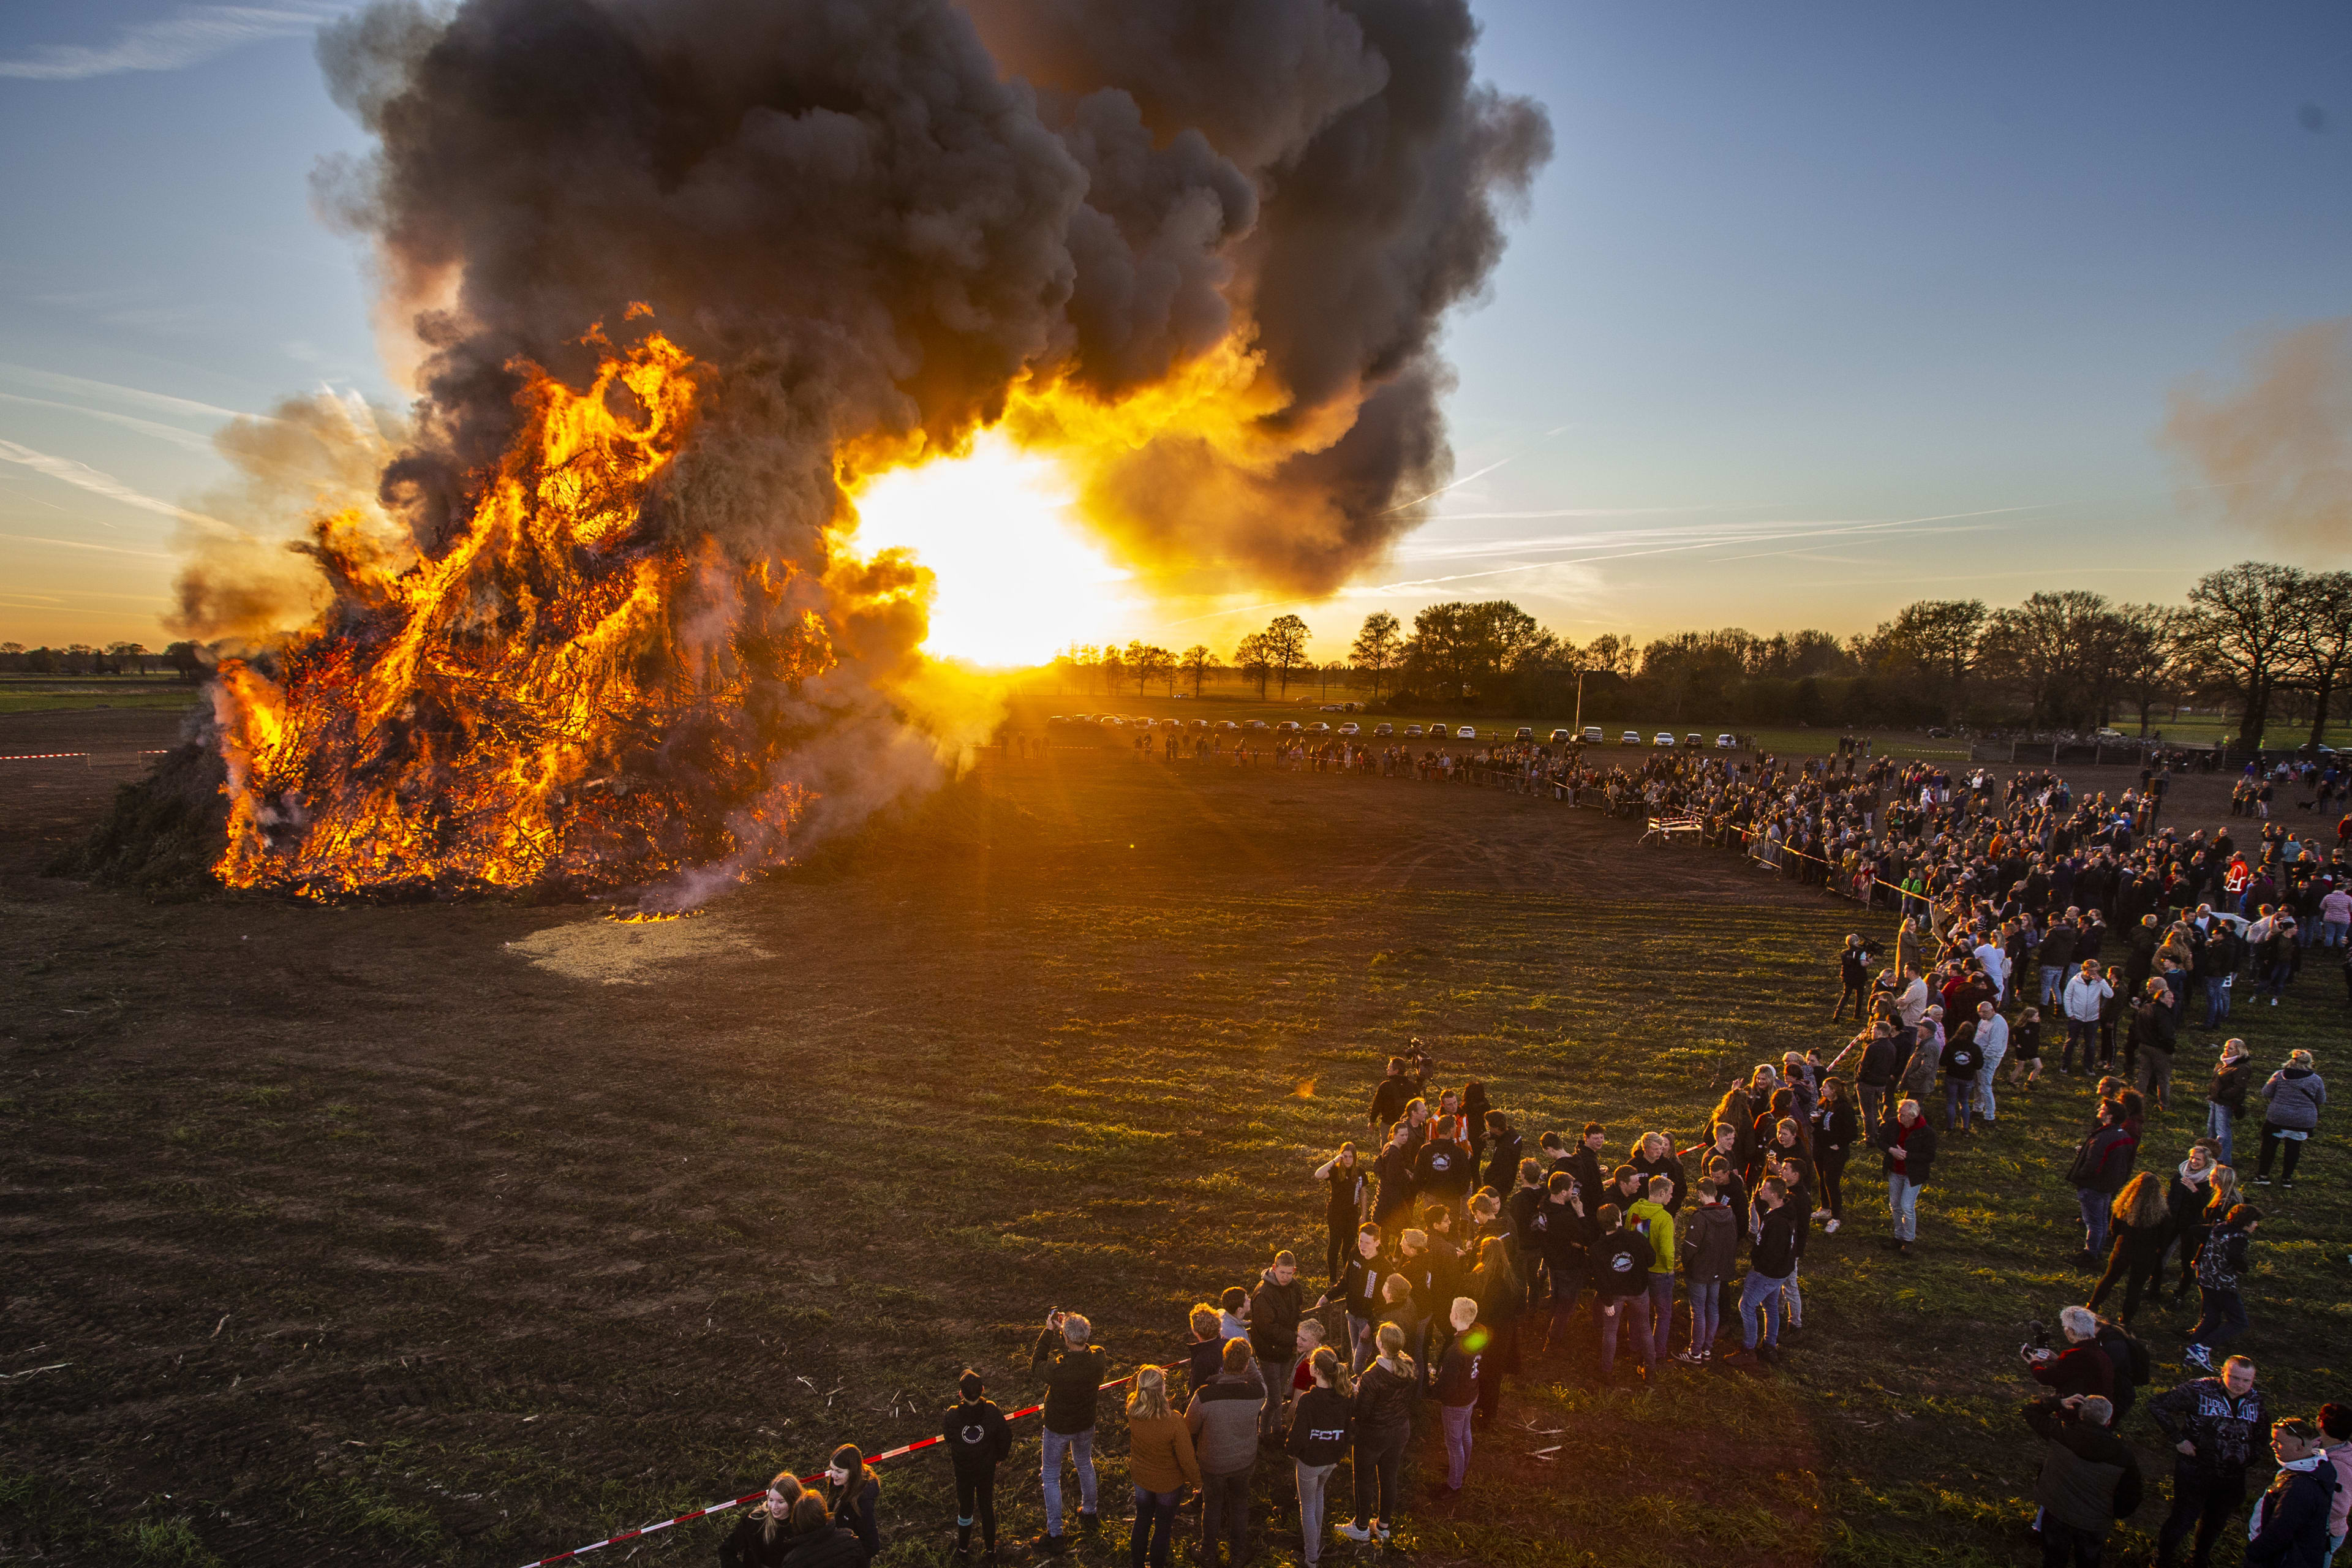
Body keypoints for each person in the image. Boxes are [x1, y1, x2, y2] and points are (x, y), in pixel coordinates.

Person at [2150, 1355, 2267, 1568]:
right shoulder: (2199, 1390)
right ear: (2222, 1373)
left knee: (2216, 1522)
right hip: (2196, 1471)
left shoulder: (2256, 1400)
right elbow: (2157, 1404)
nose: (2240, 1385)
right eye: (2234, 1378)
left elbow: (2262, 1432)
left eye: (2246, 1381)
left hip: (2232, 1475)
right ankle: (2162, 1559)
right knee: (2183, 1520)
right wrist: (2178, 1439)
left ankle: (2199, 1559)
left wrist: (2250, 1457)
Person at [2024, 1393, 2143, 1568]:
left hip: (2057, 1510)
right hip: (2093, 1522)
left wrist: (2058, 1402)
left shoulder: (2061, 1432)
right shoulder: (2123, 1455)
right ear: (2108, 1421)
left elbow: (2029, 1410)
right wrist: (2113, 1513)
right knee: (2089, 1561)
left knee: (2053, 1559)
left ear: (2080, 1415)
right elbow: (2133, 1495)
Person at [1183, 1338, 1265, 1568]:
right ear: (1247, 1366)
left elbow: (1189, 1426)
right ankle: (1238, 1554)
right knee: (1240, 1504)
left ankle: (1208, 1552)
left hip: (1213, 1462)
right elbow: (1259, 1382)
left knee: (1212, 1505)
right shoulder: (1257, 1394)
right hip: (1245, 1460)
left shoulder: (1205, 1395)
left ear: (1224, 1360)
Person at [1031, 1310, 1107, 1554]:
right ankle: (1089, 1512)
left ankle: (1056, 1533)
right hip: (1085, 1422)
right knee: (1085, 1464)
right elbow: (1090, 1348)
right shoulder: (1099, 1358)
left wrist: (1050, 1330)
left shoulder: (1058, 1369)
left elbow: (1036, 1365)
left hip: (1057, 1427)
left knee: (1051, 1476)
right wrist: (1068, 1329)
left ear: (1065, 1338)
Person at [1339, 1324, 1415, 1545]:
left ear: (1380, 1344)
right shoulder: (1408, 1366)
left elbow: (1362, 1413)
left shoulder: (1372, 1376)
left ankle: (1361, 1527)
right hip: (1400, 1429)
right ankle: (1383, 1527)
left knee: (1364, 1480)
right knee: (1389, 1477)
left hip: (1374, 1434)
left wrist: (1356, 1392)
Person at [1123, 1366, 1196, 1568]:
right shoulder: (1174, 1421)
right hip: (1168, 1484)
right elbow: (1187, 1459)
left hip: (1141, 1479)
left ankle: (1137, 1563)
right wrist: (1198, 1483)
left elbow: (1133, 1394)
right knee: (1163, 1527)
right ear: (1162, 1389)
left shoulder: (1132, 1409)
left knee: (1142, 1519)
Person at [1284, 1348, 1351, 1568]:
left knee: (1308, 1506)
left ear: (1316, 1370)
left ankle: (1311, 1558)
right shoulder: (1344, 1397)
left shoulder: (1308, 1401)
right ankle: (1317, 1541)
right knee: (1318, 1493)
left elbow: (1299, 1435)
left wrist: (1290, 1450)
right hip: (1332, 1458)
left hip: (1310, 1461)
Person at [2247, 1419, 2342, 1567]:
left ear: (2299, 1448)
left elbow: (2279, 1533)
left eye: (2278, 1441)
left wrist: (2253, 1554)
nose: (2272, 1445)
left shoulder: (2300, 1487)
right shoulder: (2317, 1468)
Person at [1726, 1175, 1798, 1367]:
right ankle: (1769, 1345)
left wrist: (1757, 1266)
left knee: (1747, 1306)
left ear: (1775, 1194)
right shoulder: (1778, 1211)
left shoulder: (1778, 1223)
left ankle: (1748, 1350)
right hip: (1778, 1272)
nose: (1760, 1191)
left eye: (1764, 1189)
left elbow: (1772, 1253)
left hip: (1767, 1273)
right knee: (1771, 1307)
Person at [2184, 1204, 2263, 1374]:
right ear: (2247, 1222)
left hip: (2205, 1279)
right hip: (2223, 1285)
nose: (2256, 1226)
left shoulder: (2219, 1228)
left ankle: (2192, 1357)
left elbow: (2195, 1230)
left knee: (2211, 1318)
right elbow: (2235, 1256)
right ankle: (2203, 1348)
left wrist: (2199, 1259)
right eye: (2255, 1222)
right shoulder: (2239, 1237)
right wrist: (2243, 1268)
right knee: (2239, 1322)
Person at [2088, 1172, 2171, 1325]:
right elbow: (2164, 1239)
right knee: (2135, 1288)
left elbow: (2115, 1230)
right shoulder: (2162, 1214)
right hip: (2146, 1255)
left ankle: (2092, 1306)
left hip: (2123, 1249)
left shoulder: (2123, 1207)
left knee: (2110, 1278)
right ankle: (2125, 1320)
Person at [945, 1371, 1011, 1562]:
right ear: (983, 1390)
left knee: (965, 1508)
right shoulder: (991, 1411)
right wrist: (1000, 1456)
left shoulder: (952, 1415)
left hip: (964, 1471)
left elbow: (949, 1438)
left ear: (960, 1394)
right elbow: (1006, 1435)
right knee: (986, 1507)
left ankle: (963, 1550)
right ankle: (991, 1550)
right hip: (986, 1470)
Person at [2067, 1101, 2138, 1265]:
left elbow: (2093, 1164)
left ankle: (2090, 1254)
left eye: (2103, 1109)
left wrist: (2081, 1176)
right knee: (2102, 1220)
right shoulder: (2123, 1136)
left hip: (2094, 1186)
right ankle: (2096, 1251)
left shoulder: (2103, 1137)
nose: (2099, 1109)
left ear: (2110, 1116)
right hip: (2109, 1186)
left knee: (2093, 1222)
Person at [1590, 1203, 1654, 1382]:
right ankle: (1650, 1370)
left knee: (1610, 1332)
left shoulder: (1597, 1249)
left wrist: (1607, 1302)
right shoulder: (1638, 1238)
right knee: (1645, 1328)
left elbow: (1600, 1278)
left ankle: (1606, 1372)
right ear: (1620, 1219)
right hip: (1639, 1291)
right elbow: (1651, 1260)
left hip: (1614, 1295)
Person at [1676, 1176, 1737, 1364]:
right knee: (1713, 1307)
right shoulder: (1729, 1214)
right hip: (1718, 1269)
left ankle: (1695, 1352)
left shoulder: (1700, 1217)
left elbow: (1690, 1248)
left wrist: (1687, 1265)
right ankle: (1707, 1349)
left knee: (1698, 1311)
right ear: (1716, 1192)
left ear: (1700, 1193)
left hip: (1700, 1272)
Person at [1466, 1234, 1522, 1422]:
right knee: (1494, 1374)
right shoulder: (1512, 1277)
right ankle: (1490, 1415)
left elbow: (1474, 1306)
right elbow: (1521, 1306)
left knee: (1476, 1368)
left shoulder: (1480, 1278)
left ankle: (1475, 1404)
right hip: (1503, 1334)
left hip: (1481, 1332)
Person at [1314, 1224, 1385, 1372]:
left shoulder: (1385, 1267)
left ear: (1377, 1243)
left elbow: (1383, 1302)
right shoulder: (1355, 1253)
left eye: (1367, 1243)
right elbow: (1345, 1280)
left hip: (1367, 1320)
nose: (1362, 1246)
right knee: (1355, 1353)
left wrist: (1370, 1325)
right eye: (1361, 1241)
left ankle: (1362, 1387)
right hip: (1351, 1314)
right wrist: (1327, 1296)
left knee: (1359, 1364)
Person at [1432, 1297, 1483, 1498]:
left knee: (1454, 1443)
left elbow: (1448, 1384)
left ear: (1454, 1317)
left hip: (1456, 1402)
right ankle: (1461, 1468)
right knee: (1465, 1434)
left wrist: (1435, 1390)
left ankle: (1454, 1485)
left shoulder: (1454, 1351)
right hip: (1471, 1394)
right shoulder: (1476, 1338)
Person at [1249, 1252, 1305, 1436]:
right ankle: (1264, 1433)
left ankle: (1275, 1428)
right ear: (1274, 1268)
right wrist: (1295, 1338)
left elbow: (1298, 1310)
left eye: (1290, 1273)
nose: (1286, 1278)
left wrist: (1298, 1327)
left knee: (1279, 1392)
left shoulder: (1294, 1287)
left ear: (1294, 1270)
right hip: (1269, 1353)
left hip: (1285, 1350)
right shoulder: (1263, 1293)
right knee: (1273, 1399)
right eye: (1282, 1273)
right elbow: (1268, 1329)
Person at [2255, 1049, 2326, 1189]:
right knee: (2293, 1149)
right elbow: (2321, 1099)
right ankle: (2286, 1179)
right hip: (2302, 1120)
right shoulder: (2316, 1079)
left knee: (2269, 1147)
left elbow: (2266, 1092)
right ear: (2310, 1063)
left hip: (2278, 1118)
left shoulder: (2279, 1075)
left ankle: (2262, 1176)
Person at [1877, 1097, 1937, 1256]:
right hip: (1895, 1171)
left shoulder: (1926, 1132)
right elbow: (1881, 1141)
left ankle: (1908, 1240)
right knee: (1895, 1205)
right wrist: (1892, 1151)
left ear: (1912, 1116)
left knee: (1907, 1207)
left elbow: (1930, 1156)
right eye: (1899, 1113)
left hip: (1913, 1175)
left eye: (1902, 1114)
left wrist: (1907, 1155)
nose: (1899, 1116)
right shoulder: (1893, 1124)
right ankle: (1898, 1237)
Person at [1627, 1174, 1678, 1357]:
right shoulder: (1665, 1218)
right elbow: (1666, 1250)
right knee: (1663, 1314)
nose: (1671, 1198)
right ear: (1662, 1192)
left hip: (1638, 1270)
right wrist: (1670, 1268)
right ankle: (1657, 1351)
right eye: (1670, 1194)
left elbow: (1629, 1237)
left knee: (1636, 1310)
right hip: (1659, 1273)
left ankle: (1634, 1345)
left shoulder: (1635, 1209)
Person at [2024, 1305, 2115, 1401]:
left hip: (2080, 1410)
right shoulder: (2100, 1353)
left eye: (2065, 1327)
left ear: (2070, 1331)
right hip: (2100, 1408)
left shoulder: (2076, 1356)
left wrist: (2034, 1363)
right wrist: (2058, 1359)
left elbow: (2046, 1377)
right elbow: (2076, 1370)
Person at [719, 1472, 803, 1568]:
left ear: (793, 1500)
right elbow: (726, 1551)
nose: (774, 1507)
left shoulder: (803, 1521)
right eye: (771, 1500)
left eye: (781, 1502)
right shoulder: (756, 1521)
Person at [1313, 1145, 1367, 1285]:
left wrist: (1364, 1214)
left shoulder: (1360, 1172)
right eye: (1345, 1156)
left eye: (1350, 1157)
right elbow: (1318, 1175)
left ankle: (1346, 1275)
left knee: (1349, 1247)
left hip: (1352, 1214)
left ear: (1355, 1158)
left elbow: (1363, 1193)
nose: (1348, 1160)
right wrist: (1334, 1161)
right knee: (1335, 1244)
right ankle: (1332, 1279)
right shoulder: (1336, 1170)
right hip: (1336, 1213)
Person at [1811, 1076, 1858, 1233]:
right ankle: (1825, 1208)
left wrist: (1839, 1144)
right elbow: (1820, 1124)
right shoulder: (1824, 1103)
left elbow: (1852, 1133)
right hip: (1820, 1148)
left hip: (1835, 1152)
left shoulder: (1844, 1108)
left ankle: (1836, 1217)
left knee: (1832, 1182)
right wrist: (1814, 1122)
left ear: (1834, 1090)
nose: (1821, 1089)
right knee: (1822, 1180)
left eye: (1825, 1087)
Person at [823, 1446, 881, 1562]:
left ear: (853, 1471)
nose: (833, 1475)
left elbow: (872, 1546)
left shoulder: (863, 1503)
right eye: (832, 1469)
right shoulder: (838, 1484)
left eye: (839, 1471)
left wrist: (844, 1558)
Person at [2064, 960, 2114, 1076]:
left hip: (2092, 1018)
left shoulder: (2099, 982)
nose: (2094, 973)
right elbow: (2067, 997)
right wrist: (2070, 1013)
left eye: (2096, 971)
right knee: (2071, 1042)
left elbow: (2110, 995)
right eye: (2091, 971)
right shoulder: (2075, 981)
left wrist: (2102, 982)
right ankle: (2065, 1065)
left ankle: (2089, 1067)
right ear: (2085, 969)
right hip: (2076, 1017)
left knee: (2090, 1045)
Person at [2316, 1402, 2352, 1567]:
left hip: (2325, 1534)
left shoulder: (2340, 1466)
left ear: (2320, 1423)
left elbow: (2339, 1508)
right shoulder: (2316, 1447)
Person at [2207, 1041, 2252, 1168]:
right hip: (2215, 1100)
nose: (2227, 1050)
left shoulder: (2242, 1067)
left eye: (2231, 1048)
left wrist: (2221, 1095)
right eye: (2226, 1047)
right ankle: (2209, 1155)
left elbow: (2239, 1087)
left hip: (2225, 1103)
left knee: (2222, 1131)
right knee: (2211, 1128)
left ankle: (2223, 1160)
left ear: (2239, 1051)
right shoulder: (2224, 1062)